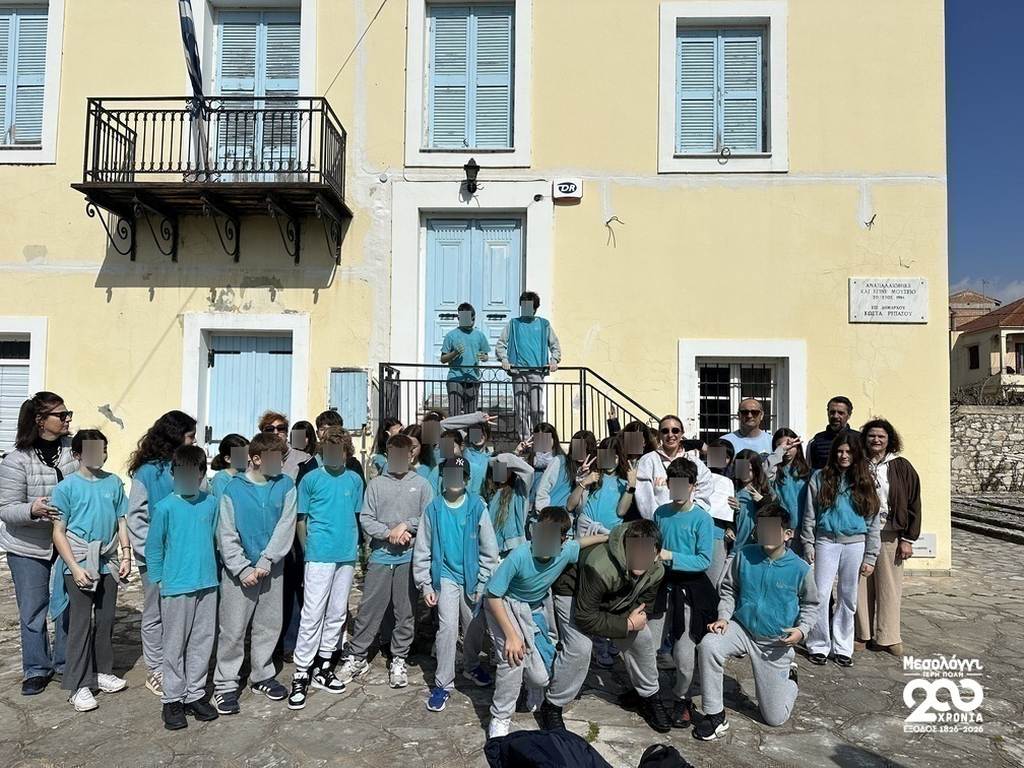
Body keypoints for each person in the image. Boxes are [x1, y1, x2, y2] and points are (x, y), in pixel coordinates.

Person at [695, 502, 820, 740]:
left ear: (787, 534)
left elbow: (811, 605)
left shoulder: (800, 569)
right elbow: (729, 589)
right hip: (742, 629)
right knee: (709, 644)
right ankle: (715, 715)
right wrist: (724, 617)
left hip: (775, 643)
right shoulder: (744, 555)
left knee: (775, 718)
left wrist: (802, 630)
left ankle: (790, 678)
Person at [483, 507, 608, 738]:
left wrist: (608, 537)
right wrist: (511, 635)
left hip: (533, 610)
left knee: (541, 677)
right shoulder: (520, 555)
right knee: (513, 659)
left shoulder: (565, 551)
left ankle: (533, 689)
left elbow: (580, 543)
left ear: (562, 540)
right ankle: (500, 717)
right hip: (504, 604)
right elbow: (492, 596)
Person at [540, 520, 670, 734]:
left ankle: (648, 696)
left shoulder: (657, 571)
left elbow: (643, 606)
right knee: (580, 646)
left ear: (656, 554)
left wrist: (631, 623)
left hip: (614, 597)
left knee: (641, 636)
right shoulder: (600, 565)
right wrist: (626, 624)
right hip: (573, 590)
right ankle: (552, 704)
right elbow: (585, 617)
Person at [337, 433, 433, 688]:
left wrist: (407, 527)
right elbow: (366, 518)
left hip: (409, 557)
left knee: (405, 610)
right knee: (370, 607)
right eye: (393, 456)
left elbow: (428, 516)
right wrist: (388, 533)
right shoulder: (376, 484)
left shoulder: (422, 485)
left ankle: (399, 657)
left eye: (403, 455)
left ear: (410, 455)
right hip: (381, 555)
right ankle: (358, 655)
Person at [213, 432, 297, 712]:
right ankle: (226, 684)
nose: (281, 465)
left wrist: (266, 560)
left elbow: (286, 526)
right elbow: (226, 533)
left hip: (272, 570)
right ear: (257, 459)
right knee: (233, 629)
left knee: (268, 624)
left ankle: (262, 675)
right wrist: (241, 567)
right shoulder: (232, 490)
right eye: (275, 459)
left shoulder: (286, 485)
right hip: (238, 573)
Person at [0, 392, 77, 695]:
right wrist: (32, 509)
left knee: (68, 604)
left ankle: (66, 662)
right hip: (27, 546)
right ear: (40, 420)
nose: (67, 419)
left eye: (68, 413)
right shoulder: (17, 460)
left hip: (67, 542)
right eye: (61, 414)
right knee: (33, 609)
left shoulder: (74, 450)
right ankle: (36, 668)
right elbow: (6, 509)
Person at [49, 429, 131, 712]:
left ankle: (102, 672)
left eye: (103, 449)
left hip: (108, 560)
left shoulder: (114, 483)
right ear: (77, 454)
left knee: (106, 620)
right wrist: (74, 567)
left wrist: (126, 555)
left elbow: (121, 521)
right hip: (80, 560)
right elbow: (58, 532)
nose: (100, 455)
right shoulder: (66, 488)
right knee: (80, 625)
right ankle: (78, 684)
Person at [413, 456, 500, 712]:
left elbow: (489, 549)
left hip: (473, 578)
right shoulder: (433, 509)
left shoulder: (477, 506)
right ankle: (443, 683)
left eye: (459, 475)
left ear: (467, 479)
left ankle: (471, 666)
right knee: (448, 628)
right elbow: (422, 549)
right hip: (445, 577)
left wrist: (483, 581)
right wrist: (426, 584)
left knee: (473, 625)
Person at [288, 428, 364, 709]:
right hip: (319, 554)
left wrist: (357, 549)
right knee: (312, 613)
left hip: (346, 555)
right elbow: (301, 519)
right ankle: (301, 671)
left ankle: (324, 665)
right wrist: (308, 549)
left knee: (337, 613)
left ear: (346, 453)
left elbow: (356, 515)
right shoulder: (310, 479)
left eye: (340, 450)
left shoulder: (354, 480)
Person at [146, 445, 220, 729]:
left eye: (194, 472)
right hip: (176, 587)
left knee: (202, 641)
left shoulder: (211, 503)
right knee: (174, 645)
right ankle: (172, 699)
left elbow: (213, 537)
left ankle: (195, 694)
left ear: (202, 473)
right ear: (174, 474)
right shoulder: (164, 507)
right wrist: (159, 580)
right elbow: (154, 547)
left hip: (207, 583)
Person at [126, 409, 198, 698]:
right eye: (190, 436)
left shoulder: (188, 467)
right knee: (155, 612)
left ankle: (177, 663)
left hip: (187, 556)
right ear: (175, 436)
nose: (194, 441)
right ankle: (156, 669)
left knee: (181, 613)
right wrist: (153, 553)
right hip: (157, 560)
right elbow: (136, 518)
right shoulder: (147, 473)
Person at [648, 457, 716, 730]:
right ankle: (647, 693)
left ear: (692, 486)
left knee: (684, 654)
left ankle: (682, 698)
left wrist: (671, 556)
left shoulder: (702, 519)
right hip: (661, 587)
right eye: (672, 483)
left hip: (689, 591)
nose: (676, 489)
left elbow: (704, 560)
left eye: (682, 484)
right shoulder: (660, 513)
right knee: (646, 644)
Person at [801, 436, 881, 667]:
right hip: (826, 541)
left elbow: (873, 521)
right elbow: (810, 514)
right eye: (839, 451)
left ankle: (843, 647)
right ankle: (818, 645)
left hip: (855, 544)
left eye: (848, 451)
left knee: (848, 596)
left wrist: (870, 556)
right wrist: (808, 543)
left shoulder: (865, 480)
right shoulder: (819, 477)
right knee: (820, 594)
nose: (844, 456)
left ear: (855, 454)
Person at [855, 418, 922, 657]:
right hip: (860, 533)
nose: (876, 440)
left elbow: (913, 502)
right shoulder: (857, 464)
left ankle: (888, 637)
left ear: (889, 440)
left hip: (890, 533)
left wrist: (908, 539)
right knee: (861, 585)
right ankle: (861, 634)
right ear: (865, 439)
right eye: (872, 436)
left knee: (889, 587)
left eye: (881, 436)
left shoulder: (901, 466)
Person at [496, 290, 562, 440]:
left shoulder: (544, 324)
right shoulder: (513, 324)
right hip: (518, 372)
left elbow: (555, 345)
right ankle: (525, 441)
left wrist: (554, 360)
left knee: (536, 409)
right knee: (521, 410)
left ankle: (540, 439)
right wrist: (504, 360)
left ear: (535, 308)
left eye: (529, 306)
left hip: (537, 372)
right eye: (523, 306)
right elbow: (501, 344)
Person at [635, 415, 713, 520]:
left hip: (689, 521)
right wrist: (659, 521)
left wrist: (692, 514)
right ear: (659, 435)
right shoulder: (647, 461)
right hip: (659, 522)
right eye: (665, 431)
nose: (670, 435)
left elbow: (705, 488)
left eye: (675, 430)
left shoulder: (694, 461)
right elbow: (644, 499)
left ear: (682, 433)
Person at [573, 435, 634, 538]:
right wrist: (582, 479)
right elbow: (572, 504)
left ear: (620, 458)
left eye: (614, 457)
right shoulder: (592, 476)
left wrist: (631, 486)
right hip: (585, 531)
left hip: (610, 534)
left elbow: (621, 512)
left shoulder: (625, 482)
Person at [440, 302, 491, 416]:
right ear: (459, 318)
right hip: (455, 378)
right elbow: (443, 359)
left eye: (472, 319)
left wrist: (484, 357)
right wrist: (455, 353)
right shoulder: (451, 335)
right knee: (455, 414)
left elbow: (486, 356)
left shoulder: (480, 335)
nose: (471, 322)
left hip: (473, 378)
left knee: (471, 415)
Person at [486, 452, 535, 557]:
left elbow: (529, 471)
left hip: (513, 549)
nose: (502, 471)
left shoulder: (520, 490)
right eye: (498, 468)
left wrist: (501, 458)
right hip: (492, 548)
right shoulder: (490, 492)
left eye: (506, 468)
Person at [769, 428, 810, 532]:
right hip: (778, 528)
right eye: (781, 446)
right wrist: (779, 451)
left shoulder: (808, 472)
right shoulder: (773, 470)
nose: (786, 450)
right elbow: (764, 476)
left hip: (803, 530)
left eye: (790, 446)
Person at [805, 396, 861, 471]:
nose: (835, 416)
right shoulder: (816, 440)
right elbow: (810, 470)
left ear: (849, 415)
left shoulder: (859, 439)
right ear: (827, 413)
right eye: (832, 412)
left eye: (840, 413)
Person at [258, 411, 311, 480]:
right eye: (269, 429)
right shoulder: (256, 459)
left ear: (287, 433)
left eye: (281, 428)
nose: (276, 432)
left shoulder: (304, 459)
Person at [209, 434, 249, 499]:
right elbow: (222, 503)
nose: (248, 458)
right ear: (228, 459)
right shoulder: (221, 479)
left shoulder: (245, 475)